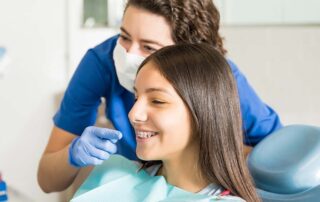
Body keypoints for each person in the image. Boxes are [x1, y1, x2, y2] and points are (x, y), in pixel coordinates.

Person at [37, 0, 282, 193]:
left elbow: (280, 161)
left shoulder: (219, 80)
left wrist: (212, 148)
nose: (128, 54)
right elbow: (48, 180)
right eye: (124, 36)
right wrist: (73, 154)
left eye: (149, 47)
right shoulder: (103, 62)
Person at [71, 43, 261, 202]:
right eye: (136, 98)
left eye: (157, 101)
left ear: (204, 113)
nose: (133, 114)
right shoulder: (114, 175)